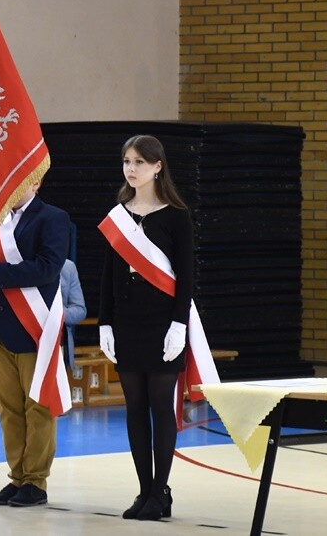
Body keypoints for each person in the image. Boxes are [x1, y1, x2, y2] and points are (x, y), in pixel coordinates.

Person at [98, 134, 193, 521]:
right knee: (134, 407)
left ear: (157, 167)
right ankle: (143, 491)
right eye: (126, 161)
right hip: (127, 322)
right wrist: (105, 322)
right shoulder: (119, 216)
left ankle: (160, 492)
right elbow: (108, 275)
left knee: (160, 405)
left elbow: (186, 277)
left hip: (162, 323)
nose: (131, 168)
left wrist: (179, 324)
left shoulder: (176, 216)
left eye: (139, 162)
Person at [0, 181, 70, 508]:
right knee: (9, 409)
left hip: (33, 327)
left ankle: (35, 481)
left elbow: (47, 268)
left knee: (38, 406)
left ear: (36, 181)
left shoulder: (52, 217)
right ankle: (17, 476)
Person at [61, 259, 87, 369]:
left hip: (60, 344)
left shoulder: (67, 267)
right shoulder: (17, 262)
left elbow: (80, 310)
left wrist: (56, 313)